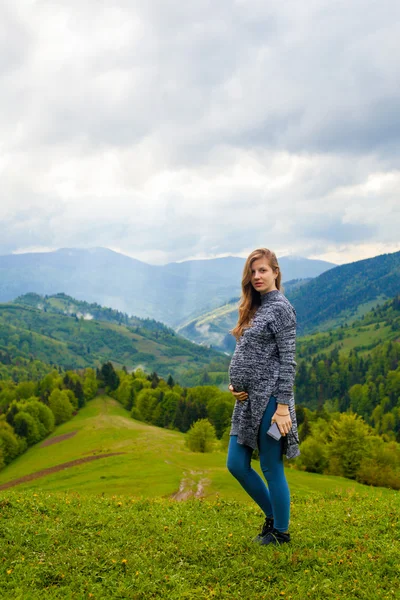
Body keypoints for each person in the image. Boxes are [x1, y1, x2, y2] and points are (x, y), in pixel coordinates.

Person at [226, 247, 300, 546]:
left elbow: (288, 361)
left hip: (270, 401)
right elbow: (247, 352)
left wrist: (282, 408)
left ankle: (280, 532)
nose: (257, 276)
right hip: (246, 402)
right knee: (236, 464)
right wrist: (235, 385)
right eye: (253, 271)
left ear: (275, 272)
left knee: (270, 466)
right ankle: (273, 516)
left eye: (263, 270)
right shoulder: (255, 307)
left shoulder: (281, 307)